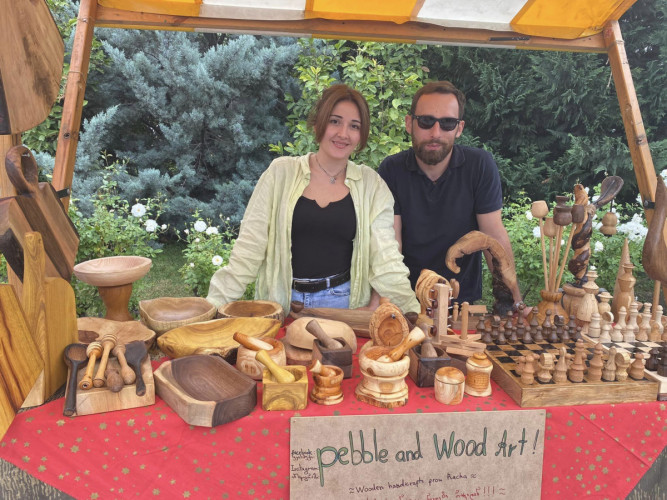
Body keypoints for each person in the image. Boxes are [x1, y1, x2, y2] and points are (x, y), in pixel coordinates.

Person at [207, 84, 419, 315]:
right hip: (281, 302)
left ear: (361, 134)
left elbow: (386, 259)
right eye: (335, 121)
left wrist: (413, 311)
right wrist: (211, 309)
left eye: (354, 126)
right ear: (318, 123)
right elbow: (248, 249)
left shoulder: (372, 185)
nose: (343, 133)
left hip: (343, 305)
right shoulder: (280, 173)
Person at [378, 81, 523, 309]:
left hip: (461, 305)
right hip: (406, 301)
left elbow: (493, 236)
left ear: (459, 128)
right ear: (409, 123)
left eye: (447, 123)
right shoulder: (391, 170)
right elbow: (392, 245)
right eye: (426, 121)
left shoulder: (479, 165)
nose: (435, 133)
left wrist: (515, 302)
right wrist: (397, 304)